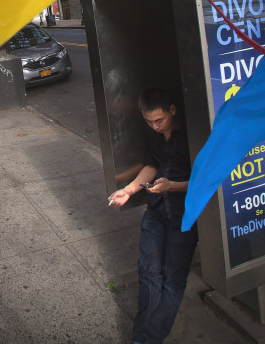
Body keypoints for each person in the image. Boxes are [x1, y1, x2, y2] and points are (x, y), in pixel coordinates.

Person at [108, 87, 198, 344]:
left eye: (159, 120)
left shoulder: (192, 134)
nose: (155, 126)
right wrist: (129, 189)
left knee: (172, 279)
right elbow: (152, 165)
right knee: (148, 272)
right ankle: (143, 338)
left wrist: (172, 186)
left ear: (172, 110)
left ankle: (149, 338)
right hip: (157, 208)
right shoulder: (155, 135)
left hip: (184, 215)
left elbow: (204, 181)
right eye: (149, 122)